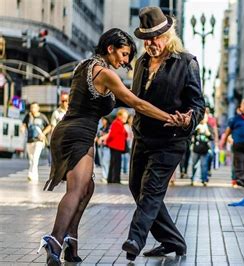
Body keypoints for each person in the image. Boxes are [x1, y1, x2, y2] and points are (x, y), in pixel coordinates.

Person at [37, 28, 180, 265]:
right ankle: (54, 240)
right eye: (124, 54)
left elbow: (126, 97)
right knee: (77, 189)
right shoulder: (105, 73)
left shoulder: (84, 65)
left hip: (69, 131)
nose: (125, 60)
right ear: (110, 48)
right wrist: (169, 116)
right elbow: (136, 103)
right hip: (78, 133)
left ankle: (71, 243)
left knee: (87, 188)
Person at [121, 7, 205, 261]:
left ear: (168, 35)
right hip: (143, 137)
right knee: (136, 186)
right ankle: (173, 240)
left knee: (151, 191)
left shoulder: (186, 62)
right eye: (146, 38)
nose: (151, 43)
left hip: (170, 141)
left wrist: (188, 119)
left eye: (156, 37)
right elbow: (137, 101)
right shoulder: (141, 63)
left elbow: (198, 105)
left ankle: (135, 238)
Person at [21, 102, 51, 183]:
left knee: (35, 158)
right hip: (29, 140)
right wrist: (22, 128)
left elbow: (49, 126)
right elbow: (23, 124)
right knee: (31, 159)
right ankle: (35, 176)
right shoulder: (28, 116)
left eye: (34, 107)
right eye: (31, 107)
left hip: (39, 141)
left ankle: (30, 175)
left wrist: (43, 133)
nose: (33, 109)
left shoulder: (42, 116)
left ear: (38, 108)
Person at [106, 108, 129, 184]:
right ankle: (115, 179)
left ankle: (112, 179)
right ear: (119, 116)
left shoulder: (119, 123)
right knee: (116, 164)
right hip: (115, 146)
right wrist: (107, 142)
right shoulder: (117, 123)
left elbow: (125, 135)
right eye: (124, 117)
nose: (126, 118)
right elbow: (112, 135)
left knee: (115, 163)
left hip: (117, 147)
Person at [190, 113, 212, 186]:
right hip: (196, 149)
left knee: (204, 165)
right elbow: (191, 134)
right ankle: (193, 179)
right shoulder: (196, 126)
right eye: (202, 117)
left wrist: (208, 134)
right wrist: (196, 131)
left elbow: (212, 138)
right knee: (194, 164)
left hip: (205, 149)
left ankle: (204, 180)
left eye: (204, 117)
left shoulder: (208, 127)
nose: (203, 119)